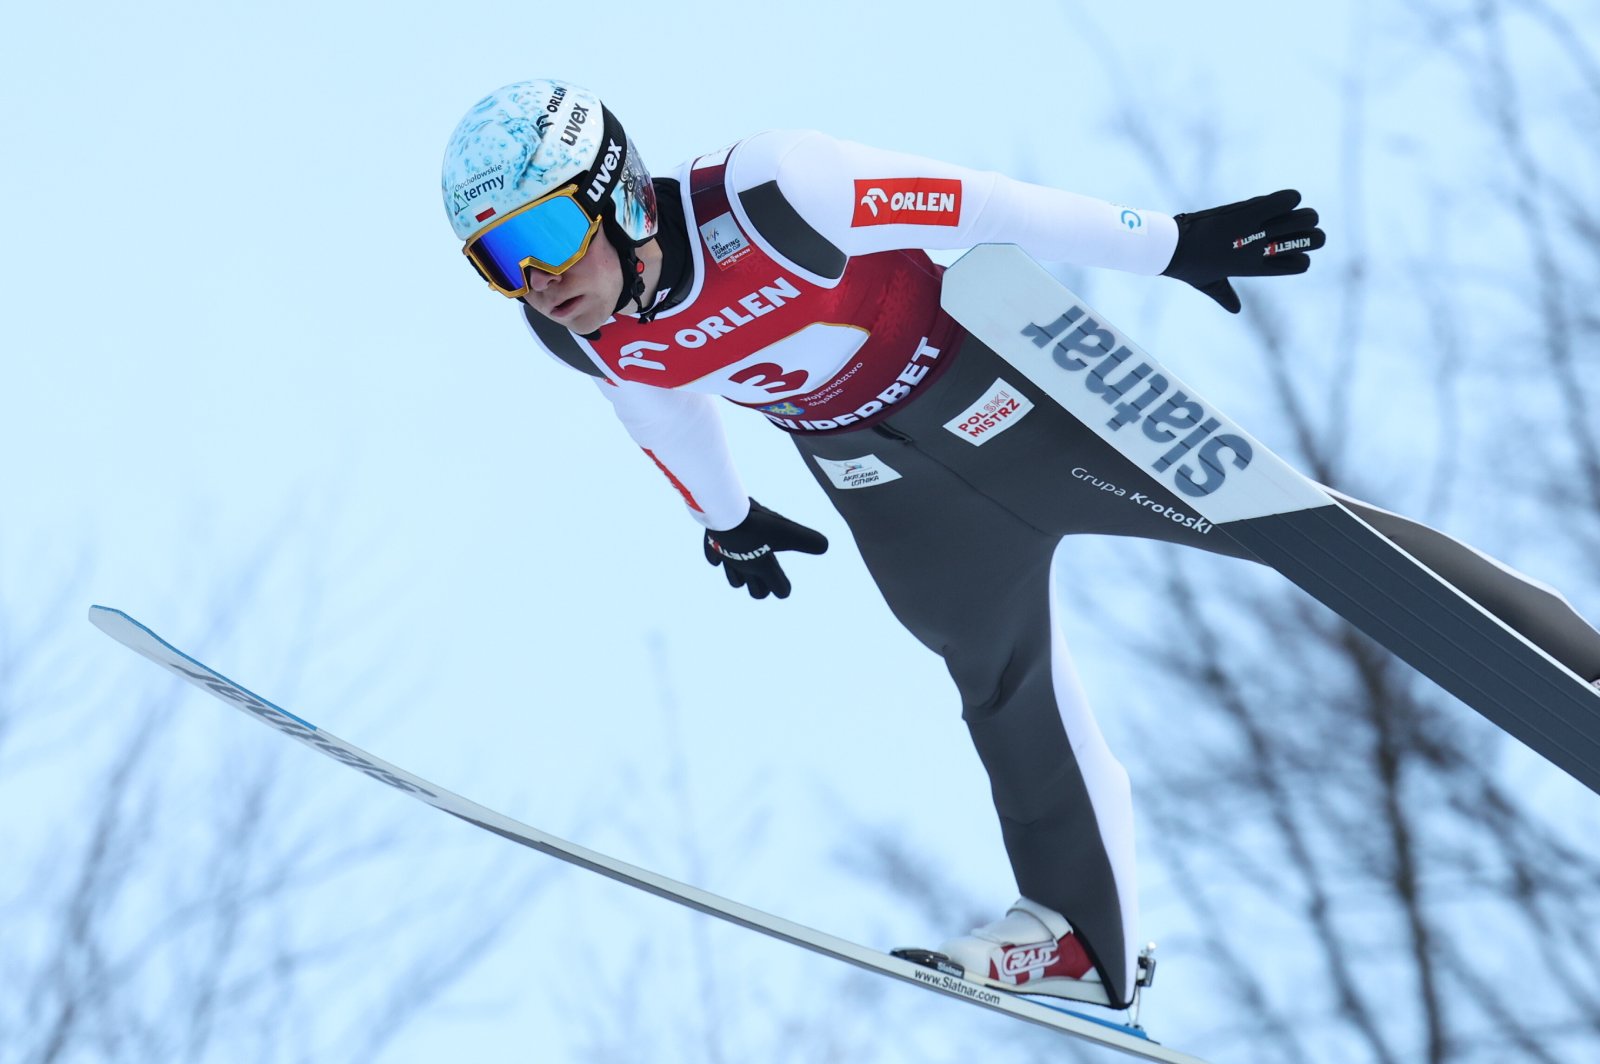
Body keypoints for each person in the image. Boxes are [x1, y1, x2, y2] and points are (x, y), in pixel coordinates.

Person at [440, 80, 1600, 1009]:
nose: (538, 283)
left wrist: (1166, 243)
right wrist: (725, 518)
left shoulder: (775, 192)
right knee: (994, 677)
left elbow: (977, 205)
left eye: (543, 233)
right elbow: (663, 403)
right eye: (498, 262)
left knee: (1298, 528)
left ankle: (1579, 668)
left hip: (1013, 394)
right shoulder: (590, 344)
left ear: (617, 193)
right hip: (885, 482)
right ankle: (1081, 937)